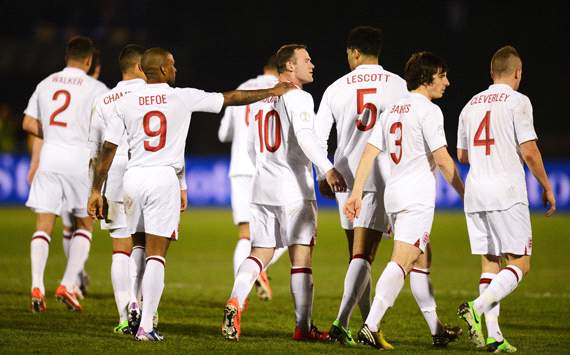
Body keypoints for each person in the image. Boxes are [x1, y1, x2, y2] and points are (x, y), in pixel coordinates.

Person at [88, 47, 296, 341]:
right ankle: (147, 326)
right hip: (162, 178)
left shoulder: (126, 100)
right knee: (156, 255)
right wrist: (272, 90)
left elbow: (107, 148)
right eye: (172, 65)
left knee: (137, 246)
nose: (176, 69)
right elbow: (231, 98)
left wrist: (97, 189)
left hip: (133, 178)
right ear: (160, 70)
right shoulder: (180, 96)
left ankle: (132, 305)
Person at [221, 44, 347, 342]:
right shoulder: (299, 96)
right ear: (290, 66)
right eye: (306, 60)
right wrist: (327, 169)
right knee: (301, 259)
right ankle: (303, 327)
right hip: (293, 189)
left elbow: (251, 148)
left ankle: (235, 301)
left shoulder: (263, 100)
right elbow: (305, 137)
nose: (312, 64)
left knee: (260, 252)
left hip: (262, 186)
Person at [343, 51, 465, 349]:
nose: (447, 82)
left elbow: (369, 153)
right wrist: (466, 193)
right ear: (427, 78)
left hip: (395, 197)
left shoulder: (393, 110)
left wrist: (356, 192)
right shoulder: (429, 111)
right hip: (415, 198)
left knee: (421, 262)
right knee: (402, 261)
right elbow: (443, 160)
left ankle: (436, 330)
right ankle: (370, 325)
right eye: (442, 75)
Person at [456, 45, 556, 352]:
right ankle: (476, 307)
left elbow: (462, 155)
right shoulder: (518, 101)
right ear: (517, 72)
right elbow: (529, 150)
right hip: (506, 192)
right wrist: (547, 186)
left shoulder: (470, 104)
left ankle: (494, 337)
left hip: (476, 192)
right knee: (520, 263)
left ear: (491, 73)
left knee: (490, 263)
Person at [314, 26, 407, 347]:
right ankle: (342, 322)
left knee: (357, 255)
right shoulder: (398, 85)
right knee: (363, 255)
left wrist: (325, 171)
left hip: (344, 177)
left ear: (354, 52)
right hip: (381, 176)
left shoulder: (336, 88)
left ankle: (369, 326)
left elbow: (317, 136)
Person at [23, 36, 108, 312]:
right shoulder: (96, 88)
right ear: (88, 60)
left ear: (66, 57)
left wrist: (55, 135)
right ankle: (68, 284)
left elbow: (27, 122)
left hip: (50, 158)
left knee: (43, 226)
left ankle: (37, 284)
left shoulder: (46, 83)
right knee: (84, 225)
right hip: (78, 161)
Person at [88, 44, 148, 334]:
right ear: (139, 67)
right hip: (145, 172)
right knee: (146, 246)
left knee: (119, 248)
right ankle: (146, 312)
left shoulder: (103, 99)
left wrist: (94, 191)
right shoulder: (153, 95)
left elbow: (95, 150)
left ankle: (125, 316)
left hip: (112, 173)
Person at [218, 55, 287, 302]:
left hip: (239, 168)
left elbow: (223, 133)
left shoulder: (242, 88)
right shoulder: (283, 90)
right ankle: (259, 269)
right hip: (269, 167)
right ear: (281, 70)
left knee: (245, 234)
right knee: (287, 232)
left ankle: (240, 293)